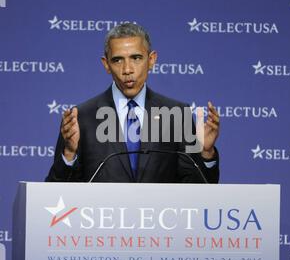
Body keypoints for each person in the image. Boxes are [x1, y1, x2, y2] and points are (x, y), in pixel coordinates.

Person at [46, 23, 220, 183]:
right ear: (106, 64)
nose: (127, 70)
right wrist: (69, 154)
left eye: (136, 58)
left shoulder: (177, 115)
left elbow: (198, 193)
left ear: (151, 60)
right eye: (118, 60)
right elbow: (56, 192)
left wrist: (205, 154)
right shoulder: (81, 118)